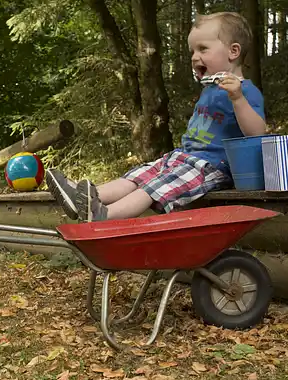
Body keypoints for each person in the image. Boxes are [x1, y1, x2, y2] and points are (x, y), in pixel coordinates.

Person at [47, 11, 267, 222]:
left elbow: (256, 132)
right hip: (184, 157)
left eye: (202, 49)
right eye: (192, 51)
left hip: (213, 166)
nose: (194, 57)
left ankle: (103, 214)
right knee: (139, 175)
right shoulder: (210, 88)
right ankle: (81, 196)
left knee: (154, 186)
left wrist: (238, 99)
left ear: (233, 51)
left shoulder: (245, 91)